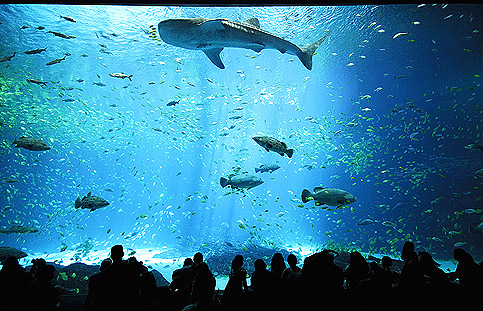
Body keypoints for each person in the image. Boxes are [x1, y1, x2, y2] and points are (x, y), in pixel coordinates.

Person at [98, 245, 140, 310]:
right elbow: (136, 285)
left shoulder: (105, 273)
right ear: (123, 254)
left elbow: (102, 292)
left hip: (111, 304)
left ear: (111, 256)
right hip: (129, 303)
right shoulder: (130, 269)